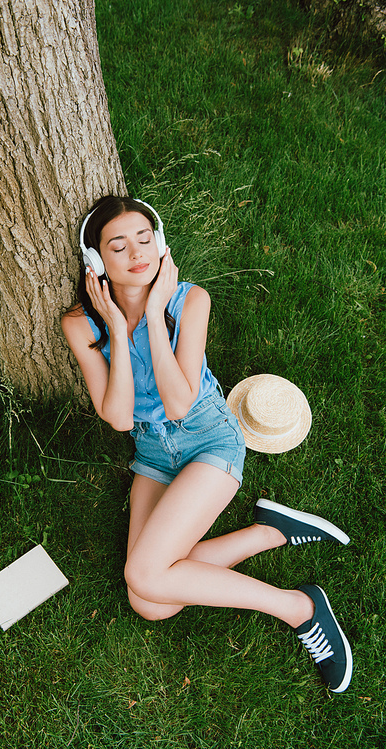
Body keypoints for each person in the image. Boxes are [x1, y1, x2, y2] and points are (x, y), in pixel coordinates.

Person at [61, 195, 353, 693]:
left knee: (147, 576)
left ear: (162, 245)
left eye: (145, 239)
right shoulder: (81, 324)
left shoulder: (190, 301)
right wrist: (116, 325)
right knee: (149, 601)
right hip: (152, 452)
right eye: (118, 246)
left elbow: (177, 402)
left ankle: (300, 607)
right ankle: (269, 532)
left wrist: (154, 317)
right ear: (97, 264)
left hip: (208, 439)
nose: (137, 253)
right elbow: (116, 416)